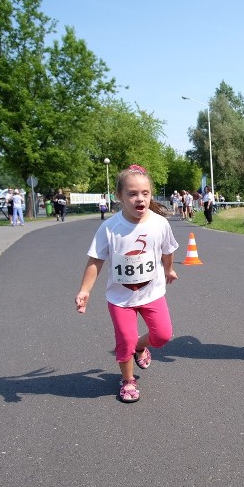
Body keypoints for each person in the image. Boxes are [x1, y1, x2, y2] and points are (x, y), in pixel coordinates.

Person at [75, 164, 179, 403]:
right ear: (118, 196)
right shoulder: (110, 228)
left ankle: (140, 347)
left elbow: (168, 250)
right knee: (125, 340)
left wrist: (169, 269)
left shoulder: (160, 224)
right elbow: (95, 260)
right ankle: (128, 381)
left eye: (145, 193)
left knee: (163, 335)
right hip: (121, 299)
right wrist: (85, 290)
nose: (139, 199)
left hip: (152, 293)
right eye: (132, 194)